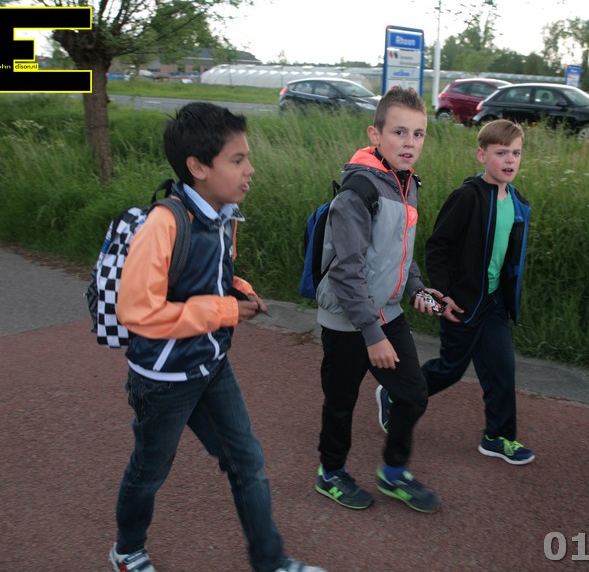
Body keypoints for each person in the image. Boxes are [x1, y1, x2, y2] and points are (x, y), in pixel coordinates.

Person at [109, 101, 325, 572]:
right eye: (237, 159)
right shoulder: (165, 223)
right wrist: (225, 310)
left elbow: (203, 278)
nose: (250, 169)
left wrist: (237, 287)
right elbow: (137, 311)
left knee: (247, 461)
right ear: (198, 167)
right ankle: (127, 550)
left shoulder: (222, 214)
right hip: (163, 378)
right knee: (149, 470)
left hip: (210, 365)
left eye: (247, 158)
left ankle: (271, 562)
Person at [313, 86, 442, 514]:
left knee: (414, 395)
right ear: (376, 135)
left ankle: (393, 471)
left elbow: (401, 252)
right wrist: (371, 334)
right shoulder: (358, 192)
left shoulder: (407, 184)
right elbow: (345, 271)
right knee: (341, 403)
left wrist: (417, 289)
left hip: (386, 312)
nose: (409, 143)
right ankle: (331, 472)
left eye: (418, 134)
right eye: (399, 132)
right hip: (348, 320)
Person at [377, 119, 535, 466]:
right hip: (462, 302)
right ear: (482, 155)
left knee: (502, 369)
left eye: (516, 153)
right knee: (450, 369)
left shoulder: (518, 203)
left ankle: (498, 436)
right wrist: (443, 293)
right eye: (501, 153)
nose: (510, 160)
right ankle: (395, 393)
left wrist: (507, 296)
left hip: (493, 303)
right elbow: (438, 246)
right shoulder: (467, 197)